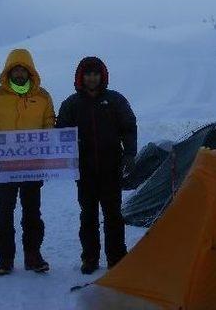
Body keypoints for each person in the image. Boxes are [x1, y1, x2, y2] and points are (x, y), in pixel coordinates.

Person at [56, 56, 137, 274]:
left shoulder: (115, 100)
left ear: (102, 76)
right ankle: (90, 258)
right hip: (84, 170)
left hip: (111, 168)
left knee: (113, 215)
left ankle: (117, 258)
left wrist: (129, 154)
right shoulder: (71, 104)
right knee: (88, 216)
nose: (92, 78)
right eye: (88, 74)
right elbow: (60, 133)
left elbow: (129, 127)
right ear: (81, 77)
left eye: (95, 74)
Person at [0, 49, 55, 276]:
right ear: (9, 71)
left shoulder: (43, 96)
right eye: (16, 69)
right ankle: (5, 259)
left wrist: (47, 136)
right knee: (3, 214)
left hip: (33, 165)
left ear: (30, 71)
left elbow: (49, 121)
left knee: (32, 213)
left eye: (24, 69)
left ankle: (33, 255)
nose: (20, 73)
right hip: (4, 167)